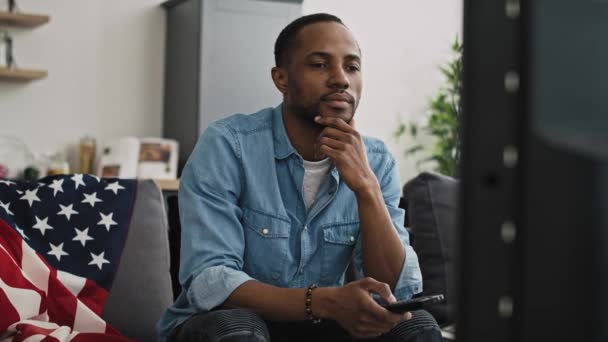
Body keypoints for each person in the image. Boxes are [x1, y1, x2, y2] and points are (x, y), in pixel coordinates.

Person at [157, 13, 441, 342]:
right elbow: (212, 281)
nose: (341, 80)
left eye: (351, 66)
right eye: (320, 65)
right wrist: (324, 302)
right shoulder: (228, 145)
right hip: (231, 323)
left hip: (323, 328)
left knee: (417, 326)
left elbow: (395, 288)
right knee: (237, 329)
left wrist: (367, 189)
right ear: (281, 79)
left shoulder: (376, 160)